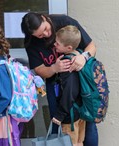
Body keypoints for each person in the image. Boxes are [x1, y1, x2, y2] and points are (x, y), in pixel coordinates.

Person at [21, 12, 98, 146]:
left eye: (45, 29)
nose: (45, 35)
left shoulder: (64, 21)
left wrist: (83, 57)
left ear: (44, 18)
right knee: (58, 125)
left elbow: (91, 46)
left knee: (88, 125)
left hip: (81, 82)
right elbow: (39, 69)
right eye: (40, 35)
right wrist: (53, 69)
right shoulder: (31, 43)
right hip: (55, 86)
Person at [52, 25, 86, 146]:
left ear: (68, 47)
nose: (54, 45)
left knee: (70, 143)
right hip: (80, 110)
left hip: (70, 115)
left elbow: (69, 91)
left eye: (57, 43)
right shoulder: (80, 57)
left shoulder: (68, 65)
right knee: (79, 142)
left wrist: (60, 114)